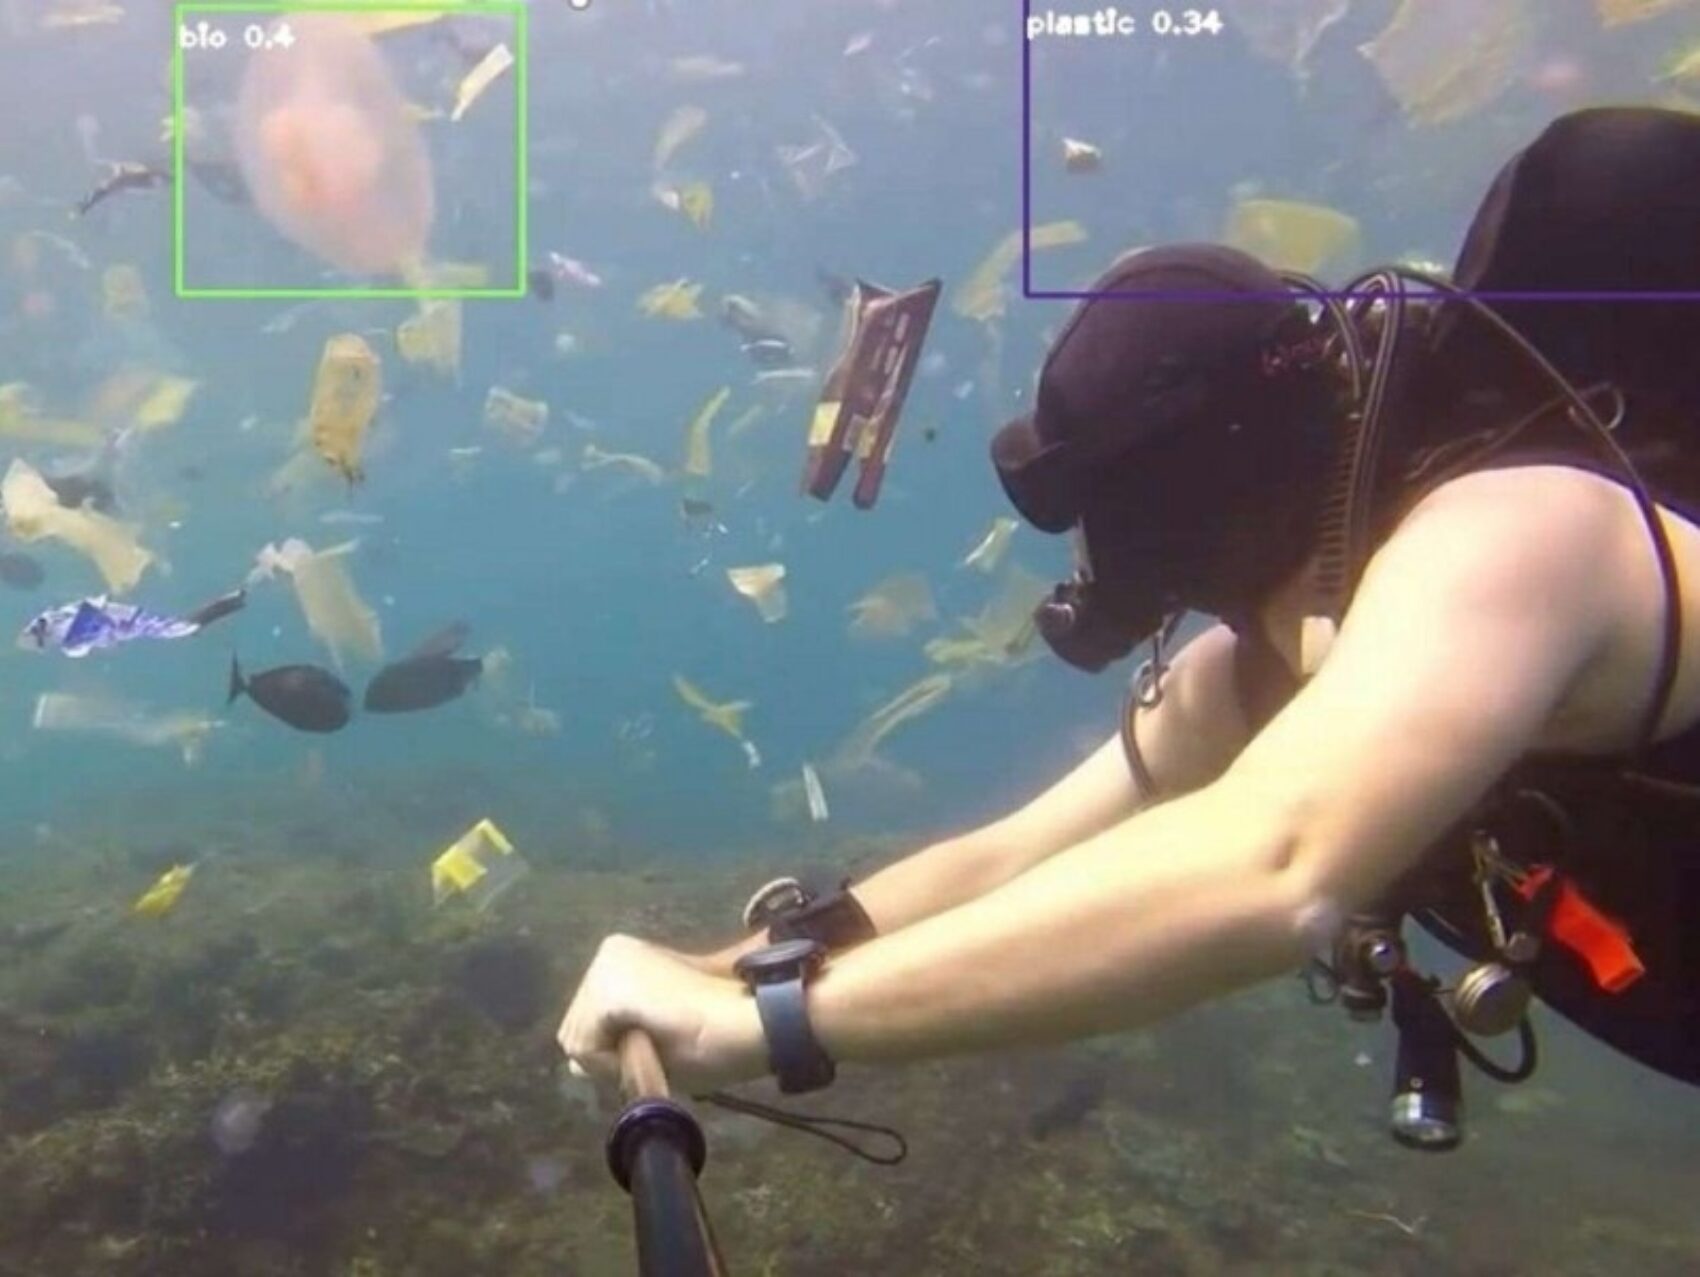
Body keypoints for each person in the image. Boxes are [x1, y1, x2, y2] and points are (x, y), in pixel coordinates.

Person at [559, 107, 1700, 1134]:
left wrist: (771, 1027)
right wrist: (723, 971)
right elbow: (1006, 856)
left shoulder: (1522, 535)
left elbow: (1269, 864)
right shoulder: (1268, 665)